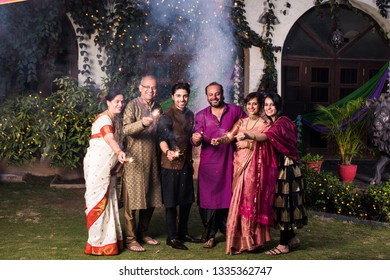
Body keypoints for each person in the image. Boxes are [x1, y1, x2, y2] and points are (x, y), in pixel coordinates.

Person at [236, 92, 308, 255]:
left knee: (284, 205)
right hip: (282, 168)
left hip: (287, 169)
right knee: (282, 204)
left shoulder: (281, 123)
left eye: (272, 105)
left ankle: (283, 245)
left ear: (278, 107)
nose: (268, 108)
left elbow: (266, 137)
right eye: (266, 105)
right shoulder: (273, 122)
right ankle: (291, 238)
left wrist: (249, 135)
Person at [211, 92, 275, 255]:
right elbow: (229, 136)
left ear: (260, 106)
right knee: (238, 199)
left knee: (251, 199)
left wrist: (247, 144)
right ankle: (239, 239)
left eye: (255, 104)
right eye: (248, 104)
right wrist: (220, 140)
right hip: (240, 166)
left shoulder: (265, 123)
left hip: (255, 168)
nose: (251, 107)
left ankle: (253, 240)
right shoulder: (241, 121)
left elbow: (266, 142)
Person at [191, 81, 246, 248]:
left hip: (229, 162)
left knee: (228, 197)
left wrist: (234, 136)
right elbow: (195, 137)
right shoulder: (201, 115)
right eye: (210, 94)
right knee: (207, 200)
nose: (214, 97)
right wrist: (195, 138)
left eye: (217, 93)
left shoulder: (235, 111)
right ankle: (210, 234)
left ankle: (228, 230)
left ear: (223, 94)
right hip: (209, 164)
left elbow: (246, 125)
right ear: (206, 96)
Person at [157, 82, 202, 250]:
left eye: (185, 96)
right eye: (178, 96)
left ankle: (183, 233)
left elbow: (192, 138)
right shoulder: (166, 116)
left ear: (188, 96)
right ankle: (172, 237)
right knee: (171, 203)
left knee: (186, 201)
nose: (182, 99)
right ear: (172, 97)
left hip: (185, 164)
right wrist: (167, 151)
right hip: (169, 165)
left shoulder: (191, 114)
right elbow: (161, 137)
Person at [83, 90, 127, 256]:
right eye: (116, 101)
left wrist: (119, 162)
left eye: (122, 101)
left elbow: (121, 142)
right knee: (97, 201)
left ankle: (110, 242)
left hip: (109, 168)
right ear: (107, 102)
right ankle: (96, 243)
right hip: (97, 167)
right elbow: (109, 138)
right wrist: (118, 152)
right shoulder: (104, 119)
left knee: (110, 201)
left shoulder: (118, 120)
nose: (120, 105)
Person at [122, 75, 163, 252]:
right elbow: (126, 129)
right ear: (140, 87)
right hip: (135, 161)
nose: (150, 90)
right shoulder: (132, 105)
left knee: (150, 199)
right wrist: (142, 123)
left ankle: (143, 234)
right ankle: (131, 239)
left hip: (153, 159)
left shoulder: (158, 107)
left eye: (153, 88)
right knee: (132, 203)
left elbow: (161, 131)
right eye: (146, 87)